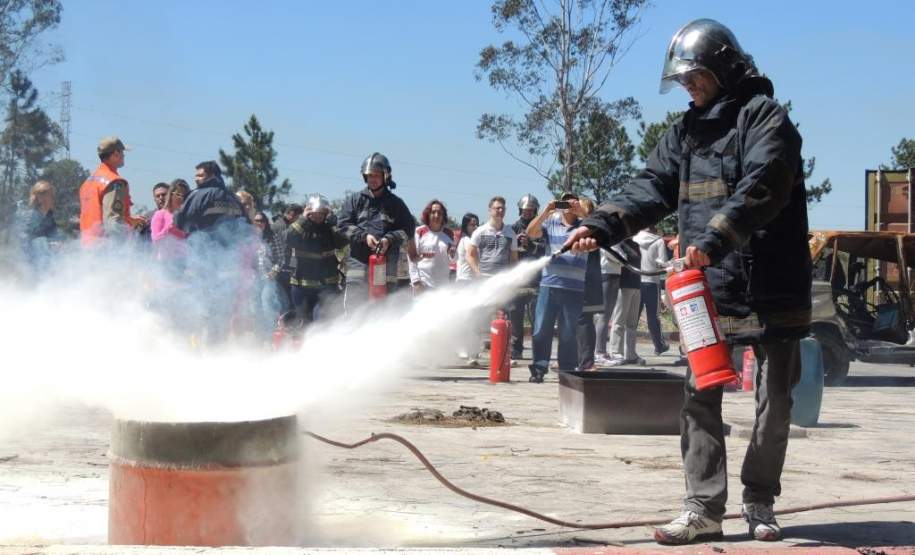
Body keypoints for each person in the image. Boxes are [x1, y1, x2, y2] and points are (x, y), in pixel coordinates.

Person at [564, 18, 811, 545]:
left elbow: (764, 185)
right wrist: (599, 224)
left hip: (772, 286)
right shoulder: (683, 132)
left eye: (694, 75)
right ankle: (702, 507)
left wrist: (717, 235)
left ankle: (760, 500)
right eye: (681, 79)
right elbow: (649, 186)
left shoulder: (765, 118)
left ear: (723, 66)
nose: (687, 86)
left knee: (775, 404)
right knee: (699, 395)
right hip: (708, 286)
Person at [337, 152, 416, 314]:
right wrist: (364, 236)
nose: (372, 179)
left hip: (386, 266)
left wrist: (389, 239)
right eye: (369, 175)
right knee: (355, 308)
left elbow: (408, 229)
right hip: (358, 264)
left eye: (376, 175)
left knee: (384, 310)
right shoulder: (354, 200)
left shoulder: (396, 204)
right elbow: (342, 224)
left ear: (386, 176)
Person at [525, 193, 588, 382]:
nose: (567, 204)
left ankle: (567, 370)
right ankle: (538, 368)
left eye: (572, 201)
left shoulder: (585, 226)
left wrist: (581, 212)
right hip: (549, 284)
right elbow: (531, 232)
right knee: (541, 329)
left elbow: (598, 226)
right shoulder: (551, 222)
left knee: (569, 332)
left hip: (574, 288)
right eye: (564, 201)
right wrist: (546, 211)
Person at [285, 195, 348, 323]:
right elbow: (287, 238)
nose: (318, 216)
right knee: (303, 322)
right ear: (308, 212)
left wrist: (333, 223)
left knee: (323, 319)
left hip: (327, 284)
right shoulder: (300, 226)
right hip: (301, 285)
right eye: (314, 213)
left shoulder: (329, 228)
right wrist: (302, 219)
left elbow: (343, 241)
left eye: (321, 213)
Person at [79, 136, 146, 246]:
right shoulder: (115, 182)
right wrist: (119, 252)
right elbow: (113, 222)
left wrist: (129, 220)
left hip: (87, 246)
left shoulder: (87, 183)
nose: (124, 156)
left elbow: (98, 213)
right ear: (115, 154)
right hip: (104, 249)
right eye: (122, 152)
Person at [510, 194, 544, 361]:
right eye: (525, 210)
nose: (528, 213)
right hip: (518, 280)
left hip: (536, 280)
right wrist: (515, 243)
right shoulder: (513, 228)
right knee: (516, 317)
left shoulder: (541, 229)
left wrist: (530, 244)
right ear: (520, 210)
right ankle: (516, 349)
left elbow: (545, 250)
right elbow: (507, 251)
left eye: (531, 210)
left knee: (537, 318)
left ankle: (538, 350)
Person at [575, 198, 604, 371]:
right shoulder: (574, 228)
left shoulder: (593, 230)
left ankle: (587, 362)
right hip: (572, 282)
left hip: (587, 283)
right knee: (570, 320)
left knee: (584, 320)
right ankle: (571, 358)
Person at [605, 239, 643, 366]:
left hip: (636, 285)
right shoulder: (619, 244)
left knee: (632, 323)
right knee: (619, 321)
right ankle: (615, 352)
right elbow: (620, 261)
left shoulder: (636, 244)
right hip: (623, 285)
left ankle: (631, 353)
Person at [634, 226, 671, 355]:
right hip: (652, 281)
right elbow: (663, 262)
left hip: (636, 281)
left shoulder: (634, 238)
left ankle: (628, 348)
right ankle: (659, 346)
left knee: (633, 317)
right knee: (653, 316)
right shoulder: (658, 241)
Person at [409, 199, 454, 292]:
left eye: (439, 213)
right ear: (428, 215)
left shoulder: (449, 233)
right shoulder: (419, 232)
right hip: (423, 284)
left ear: (443, 216)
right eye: (433, 212)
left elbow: (454, 259)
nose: (436, 215)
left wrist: (452, 254)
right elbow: (411, 258)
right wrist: (416, 281)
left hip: (443, 286)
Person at [455, 212, 481, 366]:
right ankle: (463, 348)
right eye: (472, 224)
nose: (475, 227)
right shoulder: (466, 241)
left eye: (477, 223)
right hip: (465, 282)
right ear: (465, 226)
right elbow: (474, 258)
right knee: (466, 318)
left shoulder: (473, 240)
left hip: (473, 283)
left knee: (474, 318)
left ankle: (473, 351)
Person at [19, 180, 59, 274]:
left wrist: (57, 243)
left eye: (53, 196)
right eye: (50, 195)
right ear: (39, 197)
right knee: (40, 242)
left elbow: (55, 237)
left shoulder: (50, 216)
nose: (53, 199)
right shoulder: (30, 216)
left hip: (49, 262)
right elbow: (24, 242)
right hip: (32, 263)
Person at [594, 245, 622, 365]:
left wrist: (622, 258)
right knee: (604, 316)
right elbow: (613, 253)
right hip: (608, 273)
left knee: (606, 315)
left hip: (612, 273)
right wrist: (622, 259)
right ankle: (599, 352)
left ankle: (600, 351)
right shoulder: (609, 236)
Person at [150, 180, 190, 261]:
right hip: (165, 262)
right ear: (171, 195)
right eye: (178, 194)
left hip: (184, 261)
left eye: (184, 195)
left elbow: (189, 238)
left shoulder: (186, 214)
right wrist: (168, 229)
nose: (181, 197)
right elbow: (155, 239)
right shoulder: (160, 214)